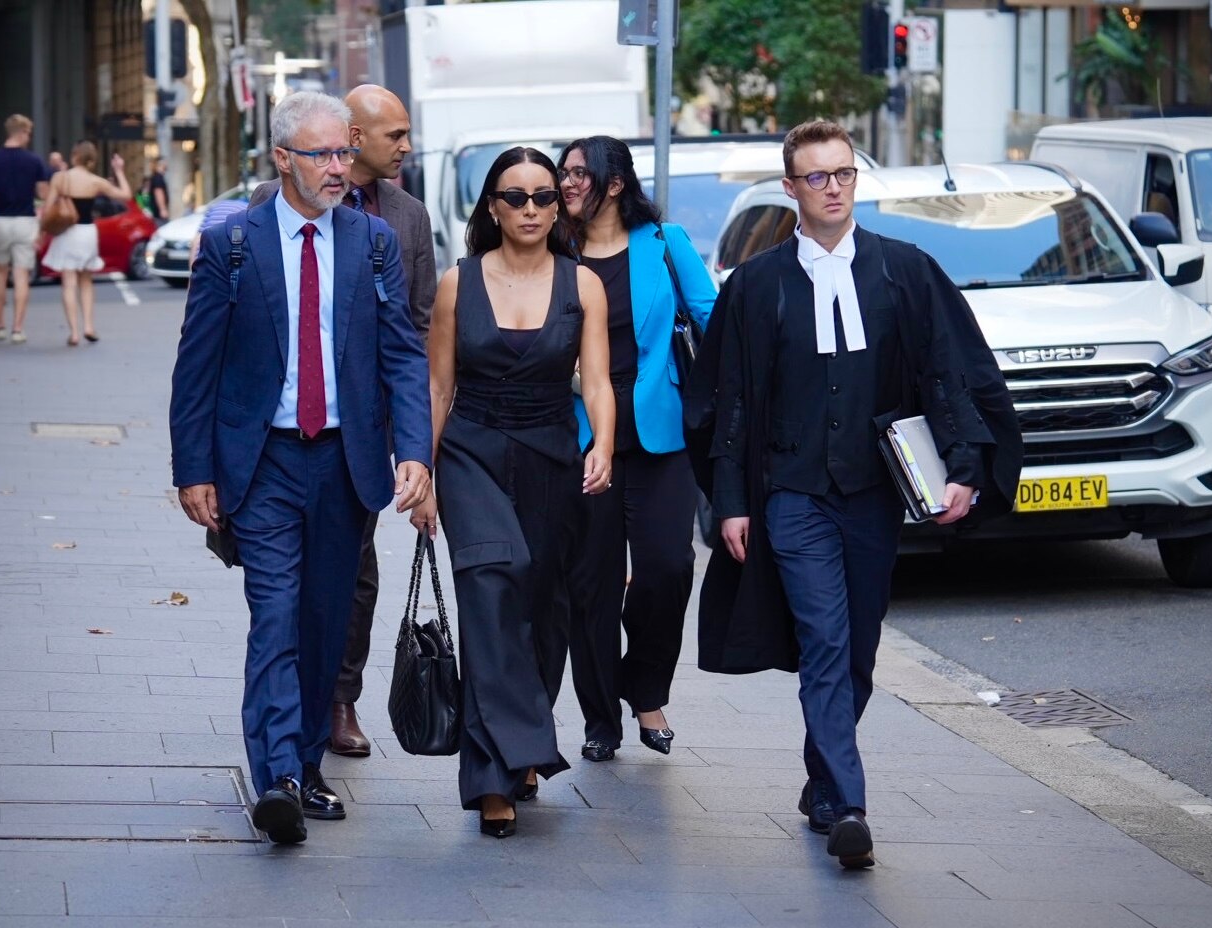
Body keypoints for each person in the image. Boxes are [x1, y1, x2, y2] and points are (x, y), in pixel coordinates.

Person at [688, 120, 1021, 869]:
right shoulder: (758, 284)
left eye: (842, 174)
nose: (833, 187)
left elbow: (947, 370)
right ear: (791, 189)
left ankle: (819, 780)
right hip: (793, 494)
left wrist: (965, 464)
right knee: (825, 640)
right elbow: (732, 399)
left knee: (859, 647)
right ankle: (849, 804)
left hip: (872, 494)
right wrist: (733, 499)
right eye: (818, 176)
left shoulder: (904, 270)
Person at [169, 91, 432, 845]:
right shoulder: (234, 243)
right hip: (265, 462)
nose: (338, 168)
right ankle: (278, 775)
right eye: (321, 154)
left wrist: (412, 450)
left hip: (345, 463)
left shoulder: (372, 242)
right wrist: (194, 469)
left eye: (344, 152)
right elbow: (198, 367)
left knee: (325, 623)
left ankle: (307, 764)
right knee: (276, 616)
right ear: (282, 158)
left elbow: (402, 357)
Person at [409, 147, 613, 838]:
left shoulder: (582, 284)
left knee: (542, 606)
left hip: (552, 453)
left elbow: (600, 380)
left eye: (544, 197)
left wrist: (604, 445)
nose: (531, 209)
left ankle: (520, 746)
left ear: (560, 206)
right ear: (491, 206)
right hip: (471, 452)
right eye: (516, 196)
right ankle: (494, 777)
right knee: (493, 588)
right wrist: (424, 472)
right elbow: (438, 387)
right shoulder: (456, 284)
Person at [250, 84, 437, 760]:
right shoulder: (256, 222)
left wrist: (412, 446)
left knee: (349, 584)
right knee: (279, 598)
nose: (405, 148)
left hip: (361, 437)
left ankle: (337, 699)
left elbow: (412, 331)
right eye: (395, 135)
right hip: (276, 448)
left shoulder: (403, 221)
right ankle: (286, 749)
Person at [555, 136, 716, 763]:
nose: (565, 184)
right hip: (579, 430)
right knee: (591, 583)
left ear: (614, 184)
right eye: (562, 171)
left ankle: (644, 685)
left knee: (669, 568)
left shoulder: (665, 244)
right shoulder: (553, 249)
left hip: (659, 430)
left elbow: (715, 318)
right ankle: (602, 719)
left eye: (577, 174)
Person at [41, 142, 132, 345]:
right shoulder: (95, 181)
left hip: (67, 232)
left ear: (74, 156)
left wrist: (42, 231)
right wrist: (119, 170)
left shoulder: (60, 178)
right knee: (86, 280)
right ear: (91, 160)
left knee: (68, 281)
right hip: (87, 232)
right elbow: (125, 195)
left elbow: (48, 207)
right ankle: (89, 326)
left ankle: (74, 332)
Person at [0, 114, 50, 344]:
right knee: (21, 275)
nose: (29, 137)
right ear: (22, 132)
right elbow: (44, 195)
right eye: (28, 133)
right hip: (25, 221)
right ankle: (18, 329)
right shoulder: (34, 161)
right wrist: (43, 226)